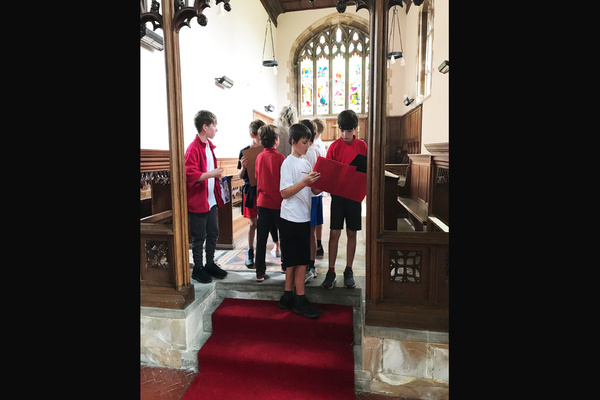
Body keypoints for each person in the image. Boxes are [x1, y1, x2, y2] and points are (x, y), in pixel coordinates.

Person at [278, 123, 323, 318]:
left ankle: (288, 296)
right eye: (304, 142)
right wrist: (305, 182)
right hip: (290, 218)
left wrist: (321, 184)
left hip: (303, 216)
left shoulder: (305, 163)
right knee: (297, 261)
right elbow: (284, 193)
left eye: (309, 142)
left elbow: (312, 191)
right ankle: (300, 299)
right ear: (294, 143)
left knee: (297, 260)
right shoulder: (288, 163)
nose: (308, 146)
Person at [321, 109, 367, 290]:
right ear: (338, 128)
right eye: (342, 130)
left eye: (349, 131)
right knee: (334, 233)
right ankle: (331, 270)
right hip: (338, 197)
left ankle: (348, 269)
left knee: (352, 233)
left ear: (355, 129)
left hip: (354, 197)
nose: (345, 134)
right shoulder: (334, 147)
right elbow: (328, 173)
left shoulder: (362, 146)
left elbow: (364, 171)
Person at [185, 110, 228, 284]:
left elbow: (208, 171)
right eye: (214, 125)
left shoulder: (209, 146)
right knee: (199, 237)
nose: (216, 129)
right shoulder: (193, 148)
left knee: (213, 233)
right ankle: (198, 268)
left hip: (210, 200)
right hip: (198, 201)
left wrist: (215, 176)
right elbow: (190, 175)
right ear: (205, 127)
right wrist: (211, 174)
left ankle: (209, 263)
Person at [237, 120, 281, 268]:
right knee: (253, 223)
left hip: (265, 193)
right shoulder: (245, 151)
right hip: (251, 190)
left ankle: (276, 245)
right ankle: (250, 251)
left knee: (271, 223)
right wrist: (243, 167)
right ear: (253, 135)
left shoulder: (266, 152)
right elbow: (241, 175)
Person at [254, 124, 286, 282]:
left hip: (262, 202)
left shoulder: (259, 157)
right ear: (276, 141)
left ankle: (259, 271)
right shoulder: (280, 158)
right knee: (284, 235)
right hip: (278, 203)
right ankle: (285, 265)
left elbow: (257, 176)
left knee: (261, 238)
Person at [298, 119, 321, 283]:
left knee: (309, 232)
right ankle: (307, 264)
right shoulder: (312, 151)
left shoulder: (312, 151)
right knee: (308, 232)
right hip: (306, 196)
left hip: (311, 196)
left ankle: (309, 265)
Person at [311, 117, 327, 258]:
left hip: (312, 188)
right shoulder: (321, 145)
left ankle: (313, 245)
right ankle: (319, 244)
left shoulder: (313, 147)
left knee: (312, 222)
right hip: (318, 189)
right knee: (319, 219)